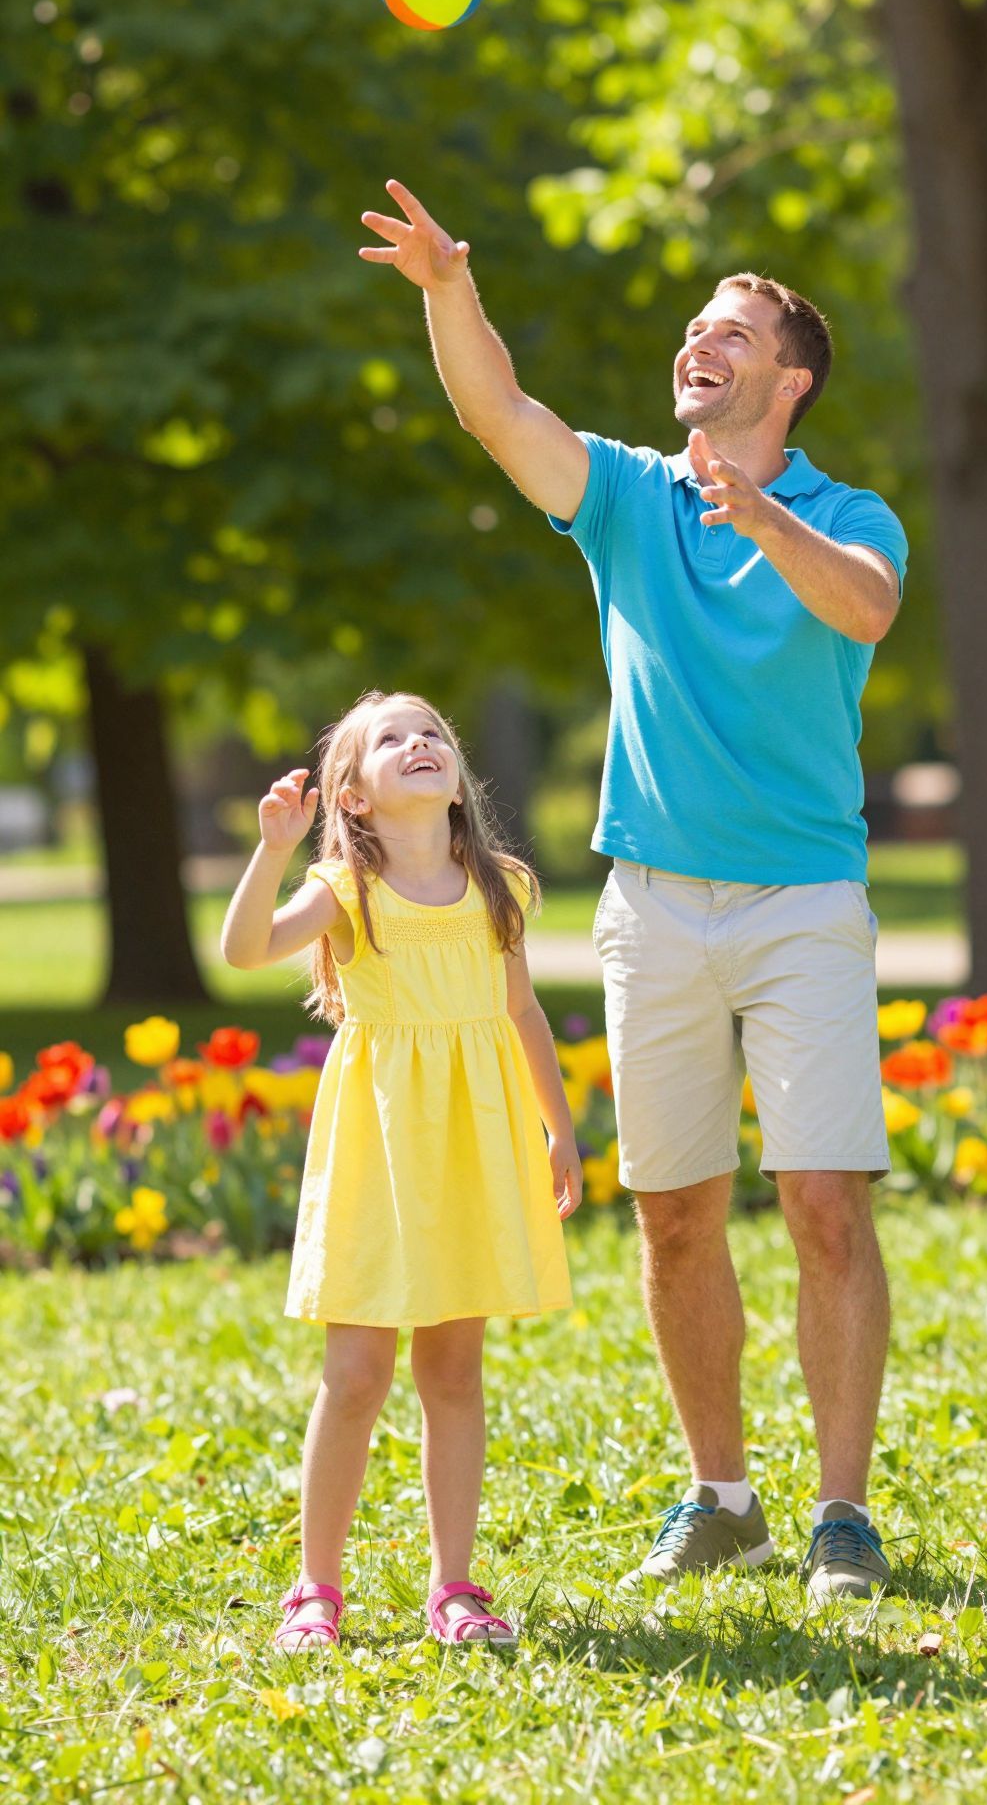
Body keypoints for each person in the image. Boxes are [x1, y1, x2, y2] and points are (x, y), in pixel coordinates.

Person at [359, 183, 908, 1602]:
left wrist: (762, 518)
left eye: (729, 332)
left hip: (801, 904)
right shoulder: (627, 495)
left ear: (789, 379)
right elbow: (501, 416)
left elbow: (866, 607)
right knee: (672, 1215)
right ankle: (722, 1494)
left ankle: (841, 1513)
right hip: (651, 902)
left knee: (827, 1209)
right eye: (690, 330)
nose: (696, 345)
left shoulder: (851, 517)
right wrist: (445, 286)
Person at [220, 688, 581, 1651]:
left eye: (433, 734)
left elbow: (522, 1013)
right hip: (379, 1149)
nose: (420, 744)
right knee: (356, 1372)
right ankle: (315, 1590)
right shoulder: (346, 893)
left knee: (454, 1368)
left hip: (470, 1147)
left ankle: (454, 1587)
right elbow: (245, 948)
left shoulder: (499, 886)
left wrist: (559, 1127)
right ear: (355, 800)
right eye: (392, 740)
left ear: (456, 779)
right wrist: (273, 847)